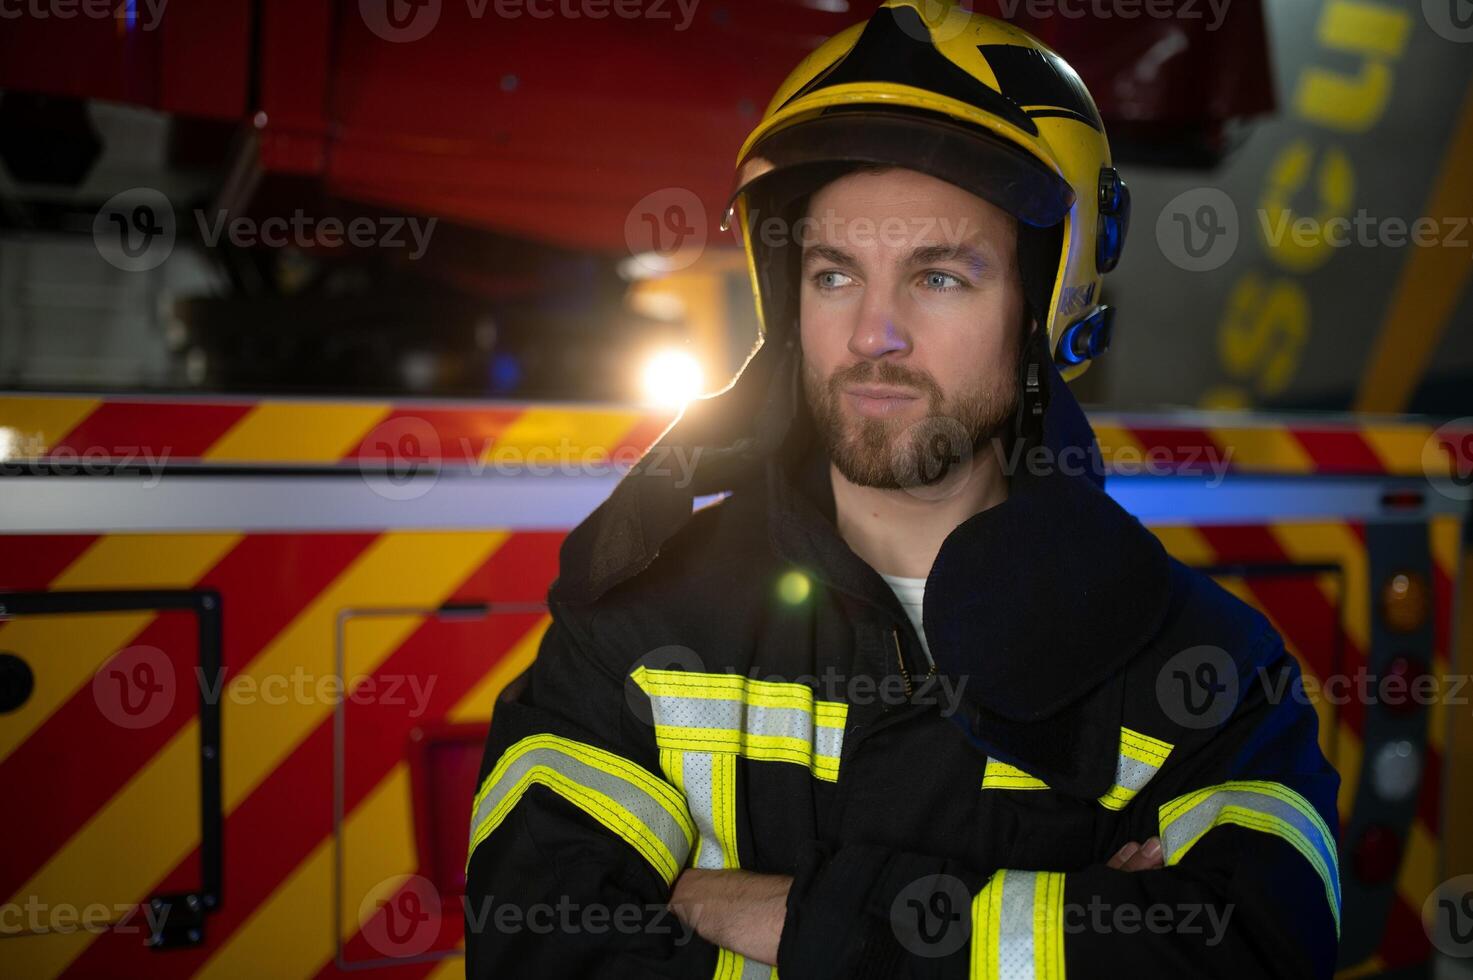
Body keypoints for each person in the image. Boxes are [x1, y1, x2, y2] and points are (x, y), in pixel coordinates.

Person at [464, 2, 1341, 977]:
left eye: (939, 277)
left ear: (1047, 306)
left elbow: (1261, 952)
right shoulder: (635, 629)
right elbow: (538, 949)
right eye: (836, 275)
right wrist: (1070, 921)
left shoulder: (1203, 669)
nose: (874, 330)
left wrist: (801, 924)